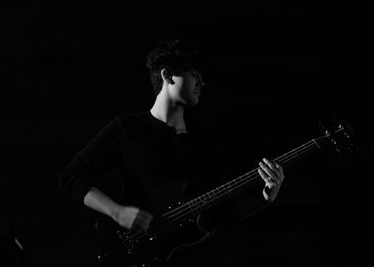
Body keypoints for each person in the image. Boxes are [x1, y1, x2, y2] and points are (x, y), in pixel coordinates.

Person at [58, 39, 285, 267]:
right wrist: (117, 213)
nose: (202, 83)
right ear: (167, 76)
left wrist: (266, 197)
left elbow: (219, 215)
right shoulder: (127, 129)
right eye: (194, 74)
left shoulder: (205, 141)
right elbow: (72, 176)